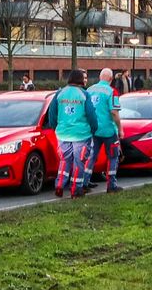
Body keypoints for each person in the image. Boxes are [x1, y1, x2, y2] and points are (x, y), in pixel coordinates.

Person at [51, 68, 95, 196]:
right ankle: (76, 189)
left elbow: (52, 113)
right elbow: (91, 115)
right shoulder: (84, 94)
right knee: (79, 162)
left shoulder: (60, 93)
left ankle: (59, 184)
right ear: (81, 80)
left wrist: (56, 128)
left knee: (64, 160)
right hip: (81, 134)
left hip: (63, 133)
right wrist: (93, 128)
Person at [88, 67, 122, 192]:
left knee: (91, 157)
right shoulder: (112, 91)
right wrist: (120, 130)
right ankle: (111, 185)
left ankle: (84, 182)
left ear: (99, 77)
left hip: (93, 130)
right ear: (111, 79)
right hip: (109, 131)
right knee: (113, 157)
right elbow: (114, 113)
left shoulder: (90, 90)